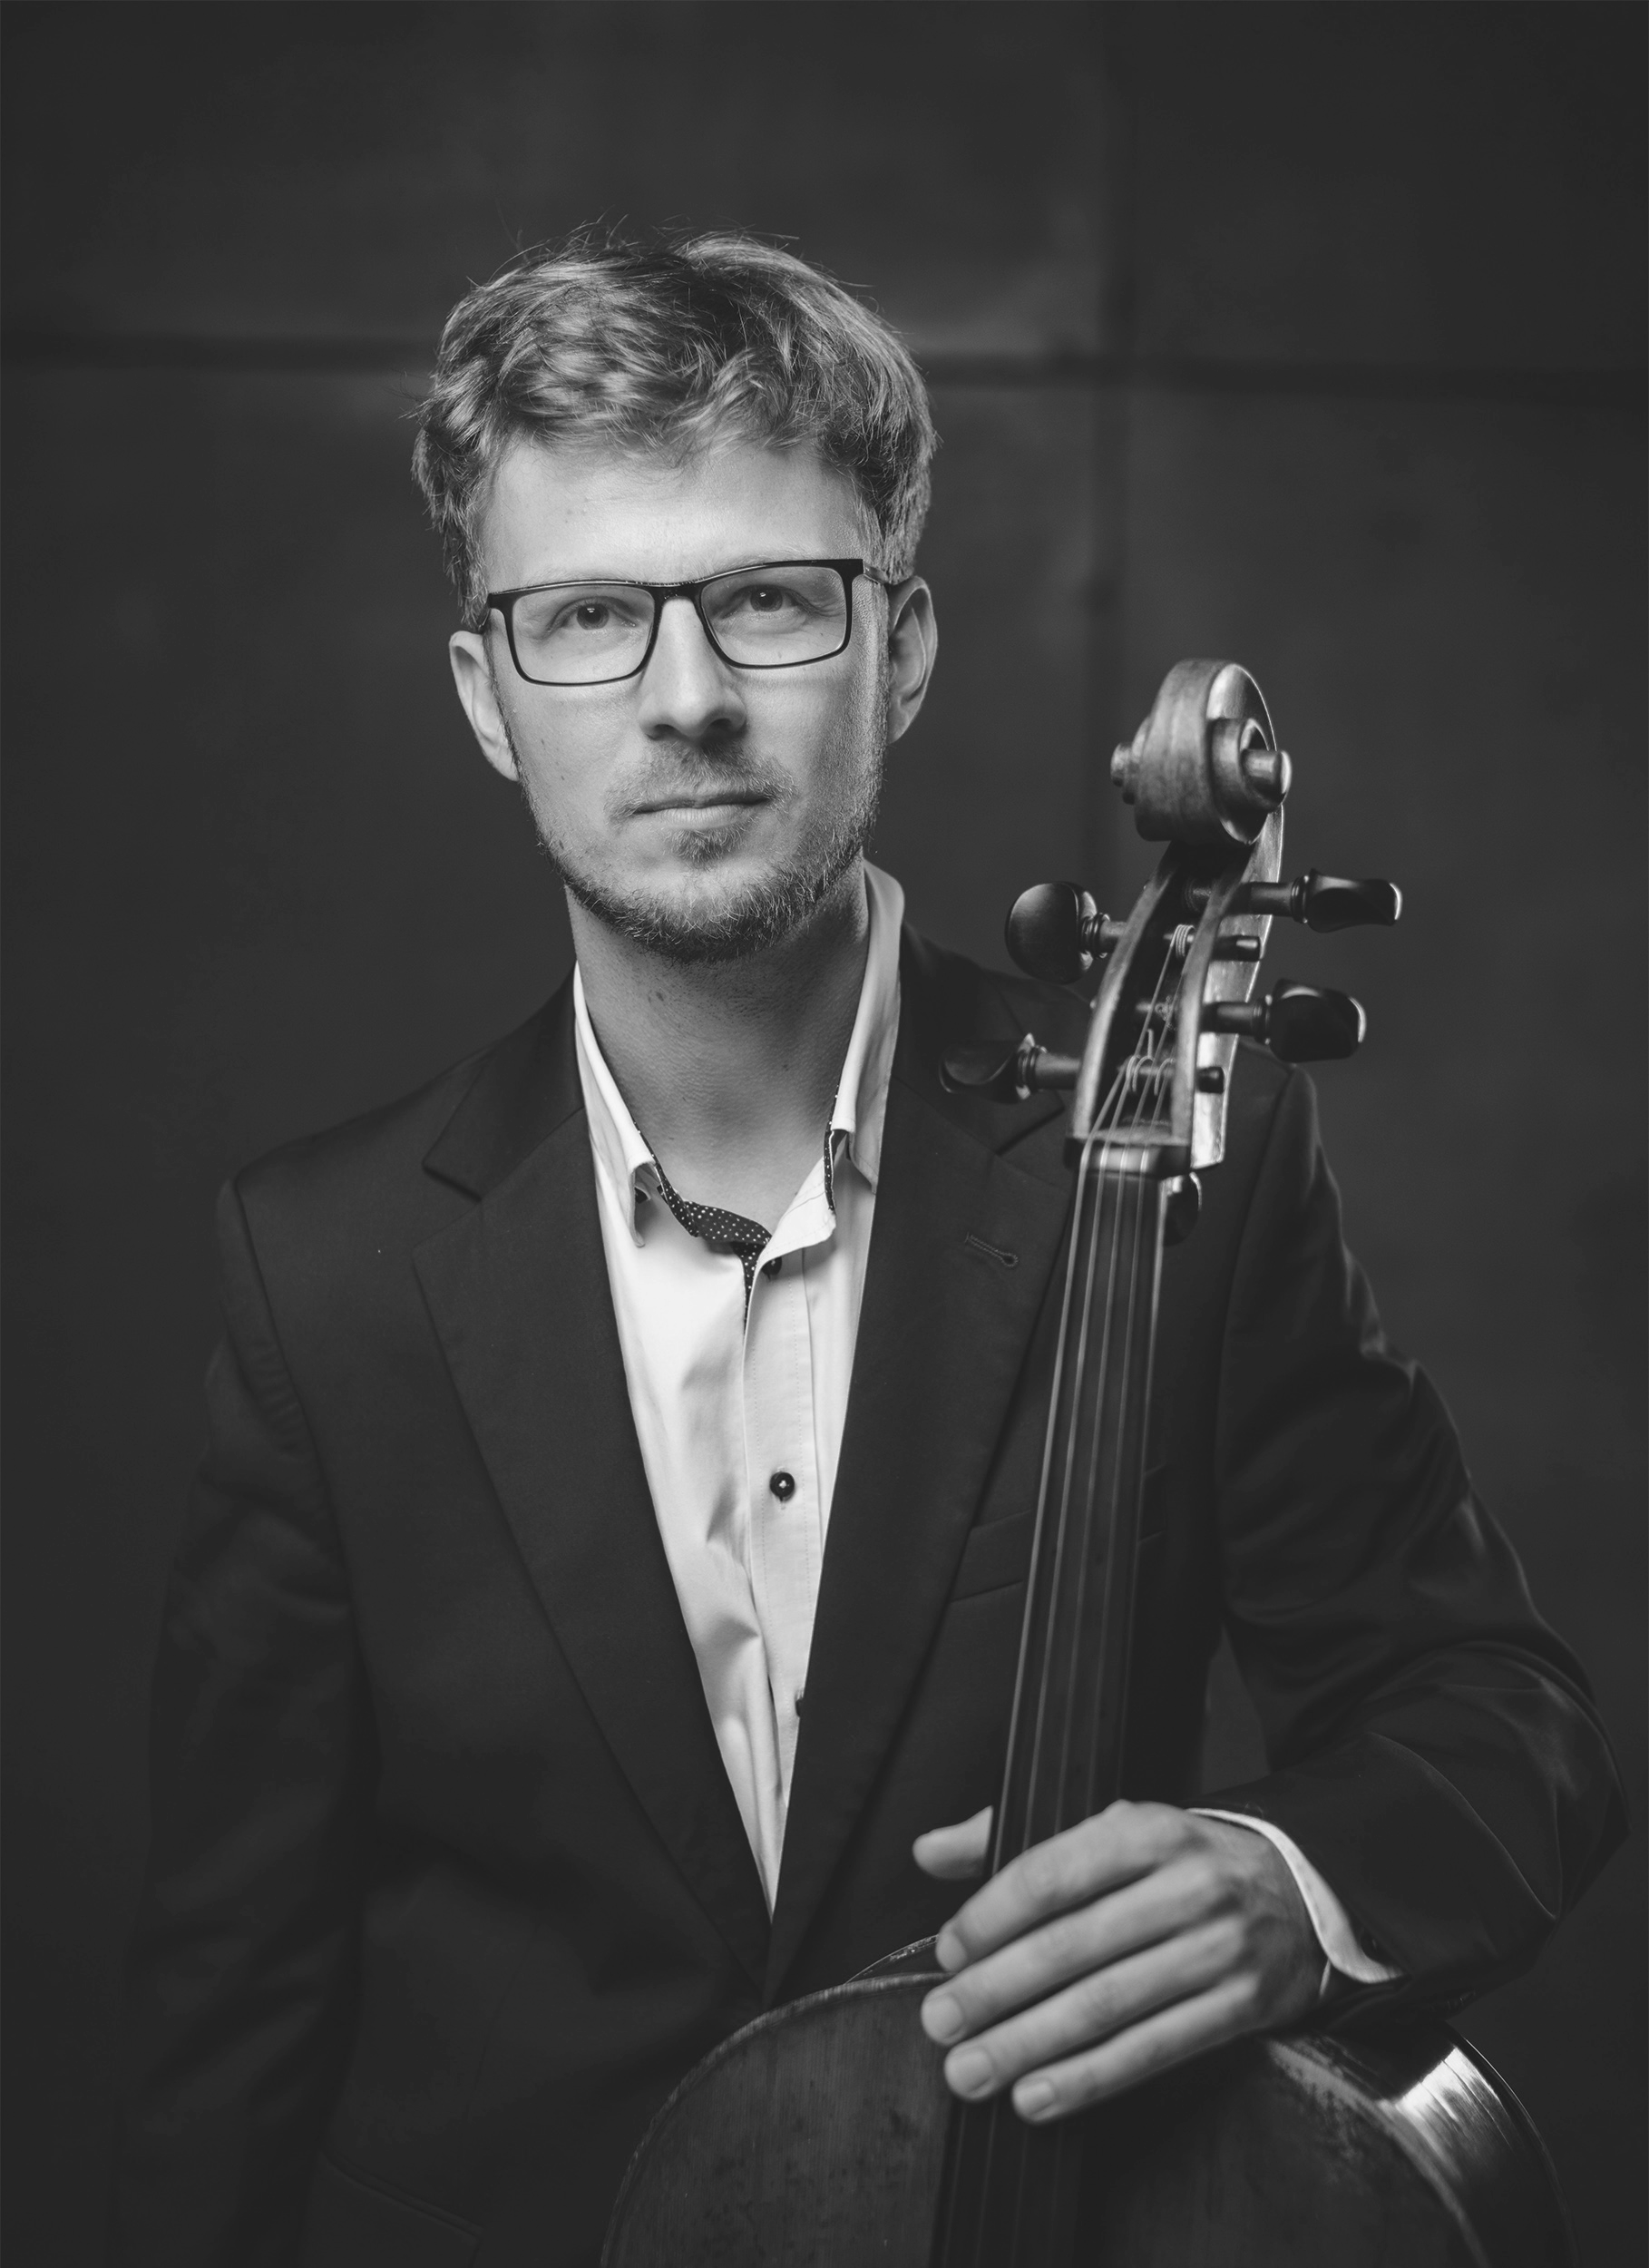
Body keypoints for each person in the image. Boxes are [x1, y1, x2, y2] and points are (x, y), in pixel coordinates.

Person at [111, 231, 1624, 2268]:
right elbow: (228, 2021)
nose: (688, 699)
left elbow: (1489, 1707)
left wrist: (1292, 1874)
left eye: (768, 600)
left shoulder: (1186, 1147)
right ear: (486, 691)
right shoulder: (321, 1263)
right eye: (584, 617)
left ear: (899, 645)